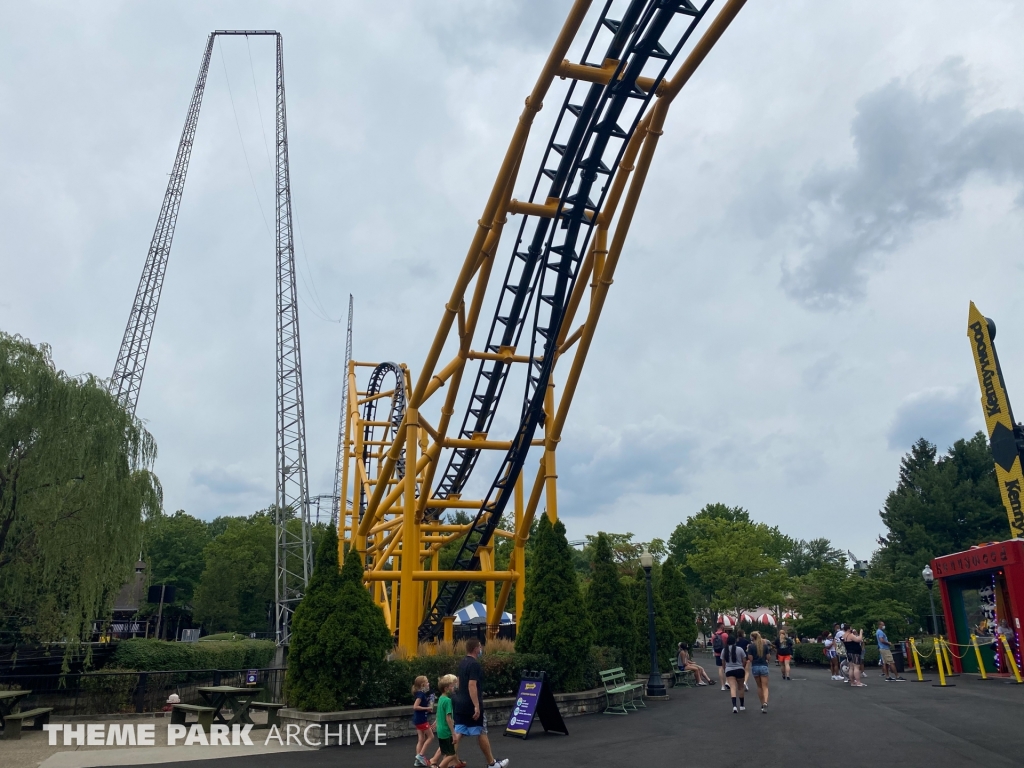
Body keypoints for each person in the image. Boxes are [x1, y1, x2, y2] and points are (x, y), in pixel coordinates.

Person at [453, 638, 509, 768]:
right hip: (471, 704)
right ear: (475, 649)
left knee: (458, 733)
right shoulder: (474, 665)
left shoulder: (462, 663)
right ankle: (492, 763)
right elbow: (472, 685)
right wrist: (476, 706)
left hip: (461, 704)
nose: (481, 649)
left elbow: (459, 682)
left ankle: (447, 762)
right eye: (480, 647)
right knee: (482, 731)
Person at [432, 675, 460, 768]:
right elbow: (448, 718)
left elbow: (440, 713)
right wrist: (453, 733)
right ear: (446, 688)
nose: (453, 688)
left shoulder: (441, 698)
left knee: (446, 753)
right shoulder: (448, 700)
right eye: (451, 686)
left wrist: (436, 722)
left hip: (440, 730)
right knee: (451, 754)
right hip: (446, 731)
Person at [747, 631, 774, 713]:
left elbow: (750, 658)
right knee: (765, 687)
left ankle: (762, 704)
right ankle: (766, 702)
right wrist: (766, 660)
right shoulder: (765, 646)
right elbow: (768, 657)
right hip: (763, 666)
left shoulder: (751, 647)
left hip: (755, 666)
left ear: (752, 638)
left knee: (759, 686)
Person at [412, 676, 435, 766]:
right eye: (427, 682)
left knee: (421, 739)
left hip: (418, 719)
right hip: (421, 719)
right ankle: (421, 755)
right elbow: (415, 706)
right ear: (422, 684)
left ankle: (417, 760)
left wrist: (427, 709)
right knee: (431, 737)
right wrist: (427, 708)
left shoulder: (420, 694)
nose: (428, 683)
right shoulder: (421, 694)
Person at [722, 634, 747, 712]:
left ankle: (734, 706)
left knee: (732, 687)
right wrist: (742, 666)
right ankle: (742, 705)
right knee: (741, 687)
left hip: (729, 670)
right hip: (739, 669)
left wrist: (725, 669)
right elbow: (744, 660)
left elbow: (723, 662)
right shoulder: (740, 649)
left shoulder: (724, 650)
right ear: (735, 641)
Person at [712, 623, 729, 690]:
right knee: (727, 667)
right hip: (725, 653)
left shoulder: (713, 635)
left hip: (717, 653)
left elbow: (713, 645)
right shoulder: (725, 635)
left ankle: (722, 686)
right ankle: (727, 681)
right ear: (722, 627)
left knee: (720, 668)